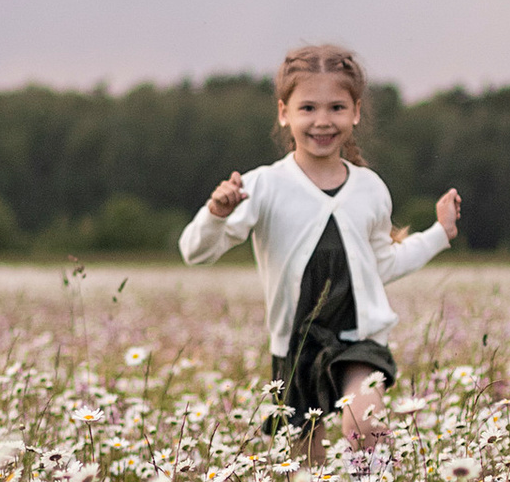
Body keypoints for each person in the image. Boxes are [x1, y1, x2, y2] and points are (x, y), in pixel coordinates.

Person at [180, 43, 461, 460]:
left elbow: (383, 265)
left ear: (356, 112)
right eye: (308, 108)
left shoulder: (370, 188)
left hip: (359, 338)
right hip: (296, 346)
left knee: (363, 425)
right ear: (284, 113)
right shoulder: (263, 186)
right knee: (303, 471)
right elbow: (195, 252)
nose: (323, 121)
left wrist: (440, 233)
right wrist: (216, 214)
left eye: (337, 108)